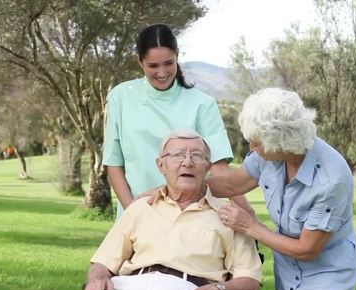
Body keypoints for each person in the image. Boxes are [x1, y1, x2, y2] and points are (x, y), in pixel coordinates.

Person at [58, 130, 263, 290]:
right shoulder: (141, 208)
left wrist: (214, 289)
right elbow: (104, 260)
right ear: (161, 165)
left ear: (207, 167)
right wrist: (97, 275)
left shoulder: (228, 216)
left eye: (196, 156)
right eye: (178, 155)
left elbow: (250, 279)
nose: (187, 162)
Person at [205, 88, 356, 290]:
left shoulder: (331, 178)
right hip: (288, 267)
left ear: (281, 140)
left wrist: (251, 226)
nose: (251, 145)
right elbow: (230, 185)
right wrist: (183, 183)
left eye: (257, 140)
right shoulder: (269, 157)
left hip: (328, 271)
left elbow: (307, 249)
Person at [103, 23, 252, 217]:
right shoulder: (120, 97)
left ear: (177, 56)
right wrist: (134, 213)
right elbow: (114, 163)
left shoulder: (202, 104)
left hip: (189, 217)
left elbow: (218, 167)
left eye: (168, 63)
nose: (162, 72)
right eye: (153, 66)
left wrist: (247, 212)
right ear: (139, 61)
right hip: (136, 215)